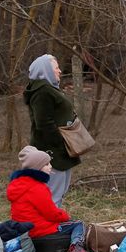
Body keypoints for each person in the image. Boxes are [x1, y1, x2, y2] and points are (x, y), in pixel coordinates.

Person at [7, 146, 99, 252]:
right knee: (78, 224)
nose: (50, 166)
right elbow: (52, 214)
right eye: (46, 164)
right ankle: (76, 249)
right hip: (40, 230)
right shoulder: (38, 188)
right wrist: (65, 216)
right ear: (37, 168)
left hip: (24, 231)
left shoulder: (18, 185)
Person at [24, 54, 80, 207]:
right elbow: (44, 124)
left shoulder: (49, 89)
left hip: (60, 150)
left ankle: (53, 223)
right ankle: (47, 228)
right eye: (56, 68)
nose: (60, 71)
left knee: (59, 191)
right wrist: (61, 142)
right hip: (51, 152)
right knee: (51, 193)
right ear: (46, 70)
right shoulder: (42, 92)